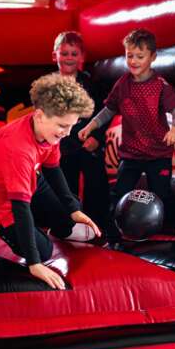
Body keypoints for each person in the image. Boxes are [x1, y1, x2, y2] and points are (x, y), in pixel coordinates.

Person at [0, 73, 101, 290]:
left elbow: (53, 169)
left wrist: (73, 210)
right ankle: (40, 236)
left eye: (72, 126)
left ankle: (57, 225)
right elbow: (20, 207)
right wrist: (35, 263)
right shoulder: (19, 150)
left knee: (70, 210)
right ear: (39, 115)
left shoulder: (50, 132)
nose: (67, 133)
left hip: (26, 178)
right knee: (44, 251)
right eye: (63, 126)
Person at [78, 28, 175, 240]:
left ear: (152, 57)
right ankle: (112, 232)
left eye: (140, 56)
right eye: (130, 56)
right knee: (119, 193)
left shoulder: (160, 86)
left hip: (157, 155)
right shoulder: (123, 84)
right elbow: (109, 109)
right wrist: (91, 125)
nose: (134, 61)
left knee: (161, 192)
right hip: (131, 154)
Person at [51, 31, 111, 236]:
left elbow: (104, 113)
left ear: (82, 57)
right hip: (61, 146)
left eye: (74, 54)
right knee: (64, 189)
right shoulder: (49, 86)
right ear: (55, 56)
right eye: (64, 53)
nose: (69, 58)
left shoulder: (92, 84)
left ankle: (101, 228)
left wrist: (97, 137)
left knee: (97, 187)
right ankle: (67, 228)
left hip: (88, 143)